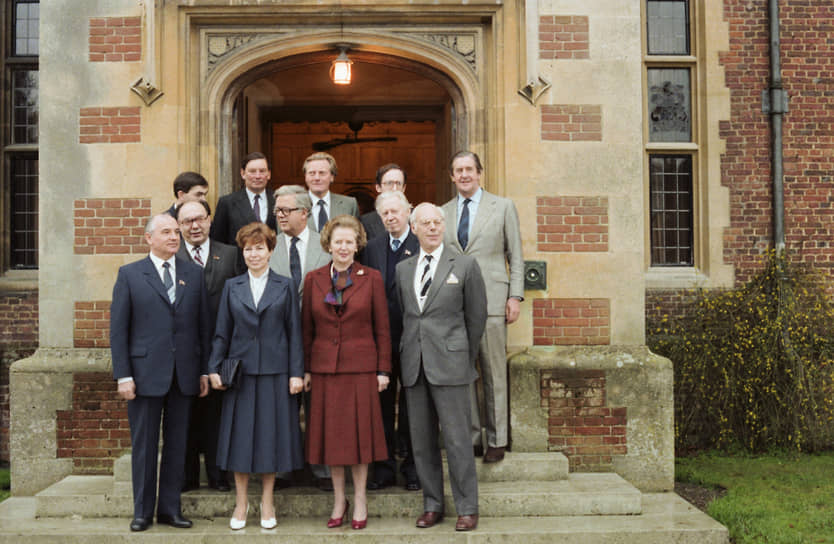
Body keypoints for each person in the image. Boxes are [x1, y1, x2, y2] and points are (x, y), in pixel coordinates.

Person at [109, 213, 211, 532]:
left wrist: (204, 371)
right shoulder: (130, 275)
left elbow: (203, 328)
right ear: (148, 238)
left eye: (176, 232)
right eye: (166, 232)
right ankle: (142, 511)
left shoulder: (193, 275)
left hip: (184, 375)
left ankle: (170, 509)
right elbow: (118, 330)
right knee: (145, 446)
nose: (173, 237)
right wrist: (123, 375)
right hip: (143, 376)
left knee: (178, 445)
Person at [396, 202, 487, 532]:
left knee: (458, 440)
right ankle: (432, 504)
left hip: (451, 364)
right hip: (415, 366)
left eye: (437, 222)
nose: (432, 227)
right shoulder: (403, 269)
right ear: (414, 228)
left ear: (443, 226)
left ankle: (467, 507)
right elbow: (407, 317)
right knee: (421, 442)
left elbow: (475, 319)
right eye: (425, 223)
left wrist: (463, 355)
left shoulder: (464, 265)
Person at [208, 222, 305, 530]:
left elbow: (294, 333)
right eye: (248, 249)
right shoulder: (232, 286)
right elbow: (222, 332)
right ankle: (241, 502)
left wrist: (296, 374)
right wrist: (213, 367)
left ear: (270, 251)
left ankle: (267, 500)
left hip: (276, 373)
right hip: (241, 374)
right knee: (240, 439)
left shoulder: (286, 285)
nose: (253, 254)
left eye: (259, 248)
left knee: (270, 439)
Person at [302, 215, 391, 530]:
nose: (343, 247)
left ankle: (361, 499)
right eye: (337, 241)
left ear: (357, 245)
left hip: (361, 369)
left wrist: (383, 369)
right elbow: (306, 329)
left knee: (359, 439)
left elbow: (382, 327)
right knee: (333, 441)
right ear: (328, 244)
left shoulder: (372, 278)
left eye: (349, 242)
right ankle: (340, 499)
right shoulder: (313, 279)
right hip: (325, 369)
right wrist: (306, 369)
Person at [441, 151, 524, 463]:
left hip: (492, 300)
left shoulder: (502, 207)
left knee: (493, 371)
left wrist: (514, 296)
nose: (464, 175)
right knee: (464, 373)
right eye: (458, 170)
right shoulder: (442, 212)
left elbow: (515, 255)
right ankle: (473, 436)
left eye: (469, 170)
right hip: (455, 304)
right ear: (451, 176)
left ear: (479, 173)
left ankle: (497, 438)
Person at [268, 184, 333, 491]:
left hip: (320, 340)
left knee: (319, 406)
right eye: (277, 210)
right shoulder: (268, 246)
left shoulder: (327, 246)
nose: (280, 216)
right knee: (282, 408)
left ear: (304, 213)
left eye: (286, 210)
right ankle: (284, 468)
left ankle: (322, 470)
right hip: (278, 342)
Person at [176, 199, 244, 493]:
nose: (194, 226)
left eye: (199, 219)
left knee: (217, 416)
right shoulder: (172, 255)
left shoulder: (229, 254)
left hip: (222, 348)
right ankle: (188, 477)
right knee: (185, 416)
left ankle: (218, 475)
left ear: (209, 219)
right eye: (187, 221)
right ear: (179, 226)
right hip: (183, 351)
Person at [360, 190, 420, 491]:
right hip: (378, 342)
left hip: (413, 340)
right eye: (385, 214)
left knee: (412, 407)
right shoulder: (371, 248)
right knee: (380, 406)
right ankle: (383, 468)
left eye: (396, 212)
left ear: (408, 211)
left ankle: (412, 467)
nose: (391, 217)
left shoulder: (422, 244)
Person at [210, 152, 277, 244]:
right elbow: (217, 240)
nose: (257, 176)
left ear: (268, 174)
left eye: (262, 171)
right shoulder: (227, 202)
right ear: (243, 173)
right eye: (252, 171)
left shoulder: (278, 200)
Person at [303, 152, 359, 232]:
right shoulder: (294, 204)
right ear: (305, 177)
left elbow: (356, 236)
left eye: (322, 173)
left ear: (332, 177)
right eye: (312, 173)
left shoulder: (349, 204)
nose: (317, 178)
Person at [360, 163, 407, 241]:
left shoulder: (415, 218)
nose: (394, 189)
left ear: (404, 188)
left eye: (398, 183)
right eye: (389, 183)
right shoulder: (365, 222)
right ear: (378, 187)